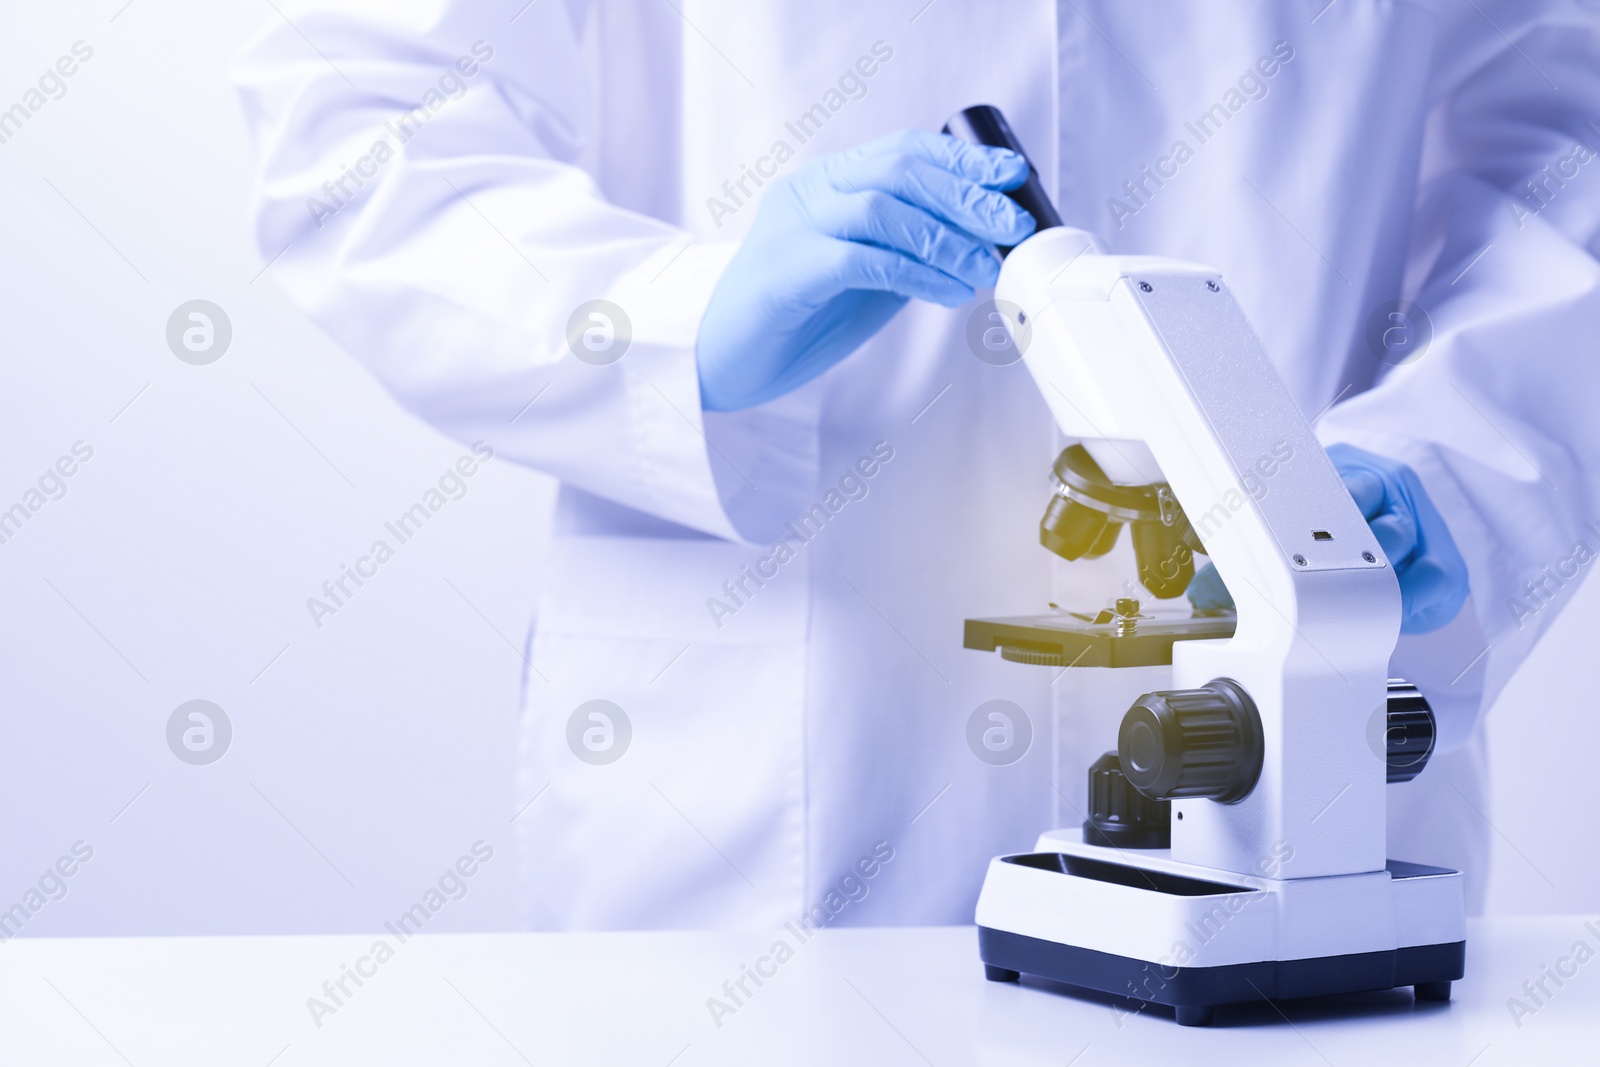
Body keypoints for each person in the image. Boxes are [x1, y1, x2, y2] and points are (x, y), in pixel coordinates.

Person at [234, 1, 1600, 926]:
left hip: (1304, 780)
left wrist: (1452, 473)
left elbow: (1570, 127)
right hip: (759, 826)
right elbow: (361, 116)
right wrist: (674, 322)